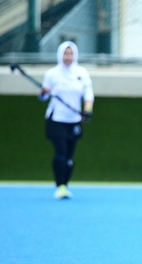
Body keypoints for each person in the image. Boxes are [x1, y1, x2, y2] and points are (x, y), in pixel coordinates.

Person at [38, 41, 94, 199]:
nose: (68, 57)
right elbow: (43, 97)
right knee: (61, 152)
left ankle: (65, 185)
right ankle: (60, 185)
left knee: (69, 157)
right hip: (56, 119)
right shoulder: (51, 74)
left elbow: (88, 94)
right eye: (65, 53)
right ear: (60, 55)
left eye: (70, 53)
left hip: (74, 120)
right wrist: (43, 92)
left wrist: (87, 110)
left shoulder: (82, 73)